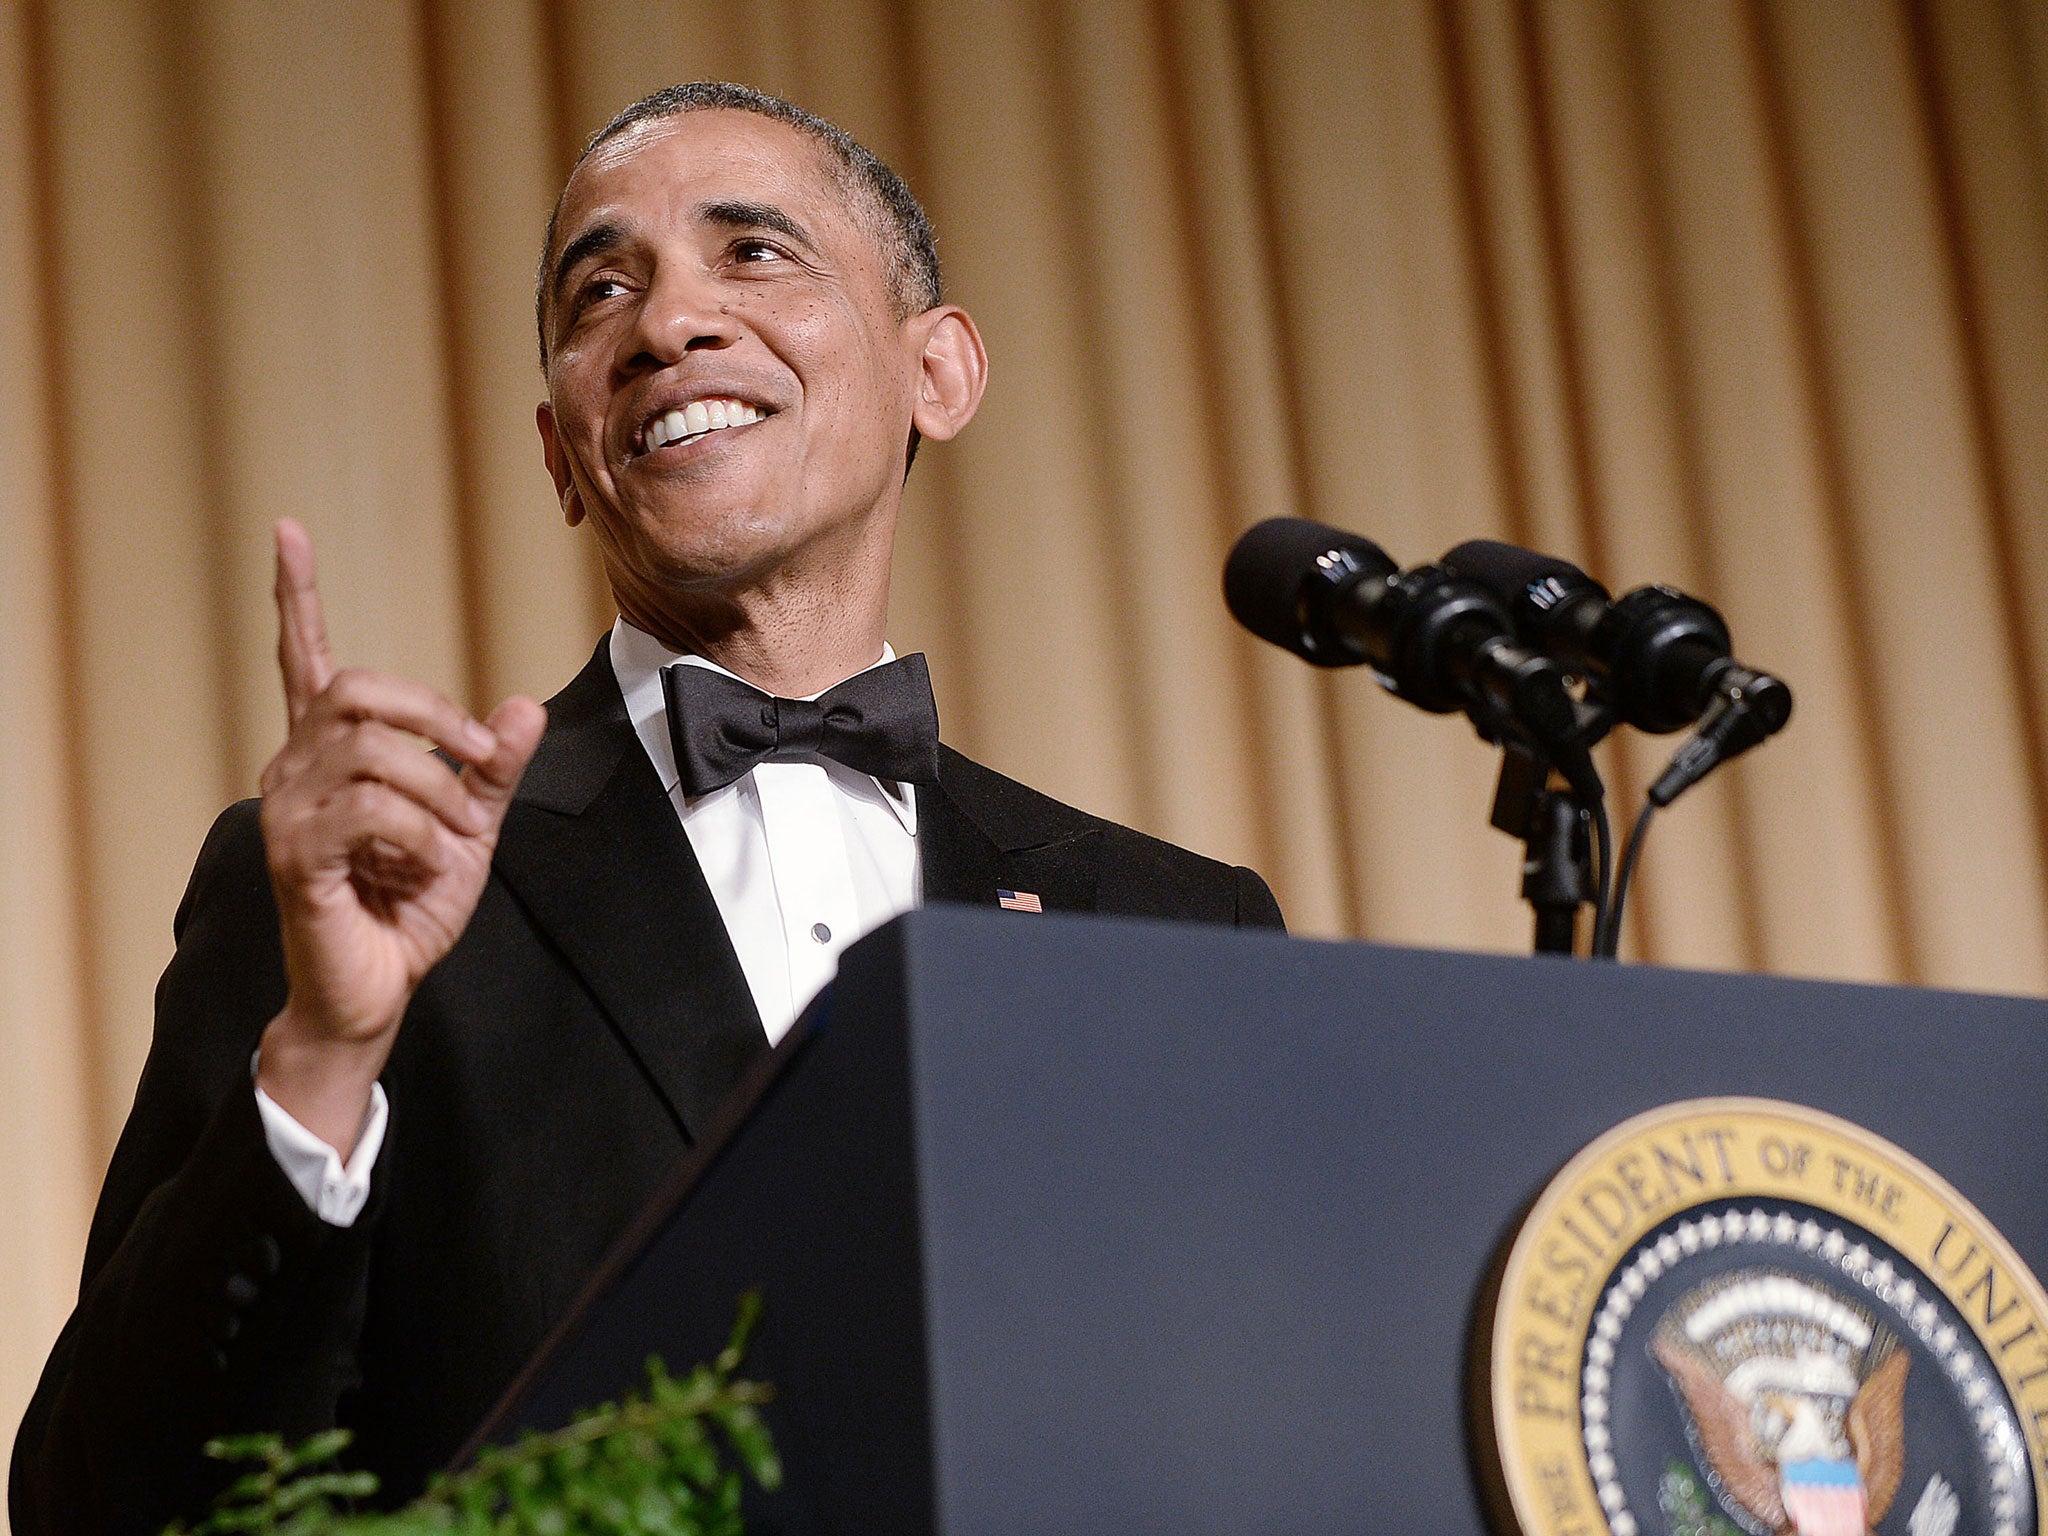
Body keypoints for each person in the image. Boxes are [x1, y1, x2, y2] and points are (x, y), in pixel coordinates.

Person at [9, 82, 1283, 1532]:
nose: (667, 323)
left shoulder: (1181, 924)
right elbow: (88, 1506)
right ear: (561, 453)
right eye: (601, 288)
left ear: (939, 371)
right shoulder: (371, 884)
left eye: (754, 254)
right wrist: (320, 1065)